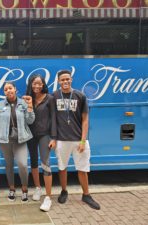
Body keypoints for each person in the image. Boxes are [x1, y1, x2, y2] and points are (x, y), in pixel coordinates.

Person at [53, 70, 100, 210]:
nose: (65, 82)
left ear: (71, 79)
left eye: (67, 79)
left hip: (79, 139)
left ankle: (86, 195)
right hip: (62, 140)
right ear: (58, 81)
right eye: (62, 80)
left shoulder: (80, 95)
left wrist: (83, 140)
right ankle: (63, 191)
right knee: (62, 167)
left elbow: (85, 120)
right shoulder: (54, 96)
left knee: (83, 168)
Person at [0, 82, 35, 203]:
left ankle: (24, 189)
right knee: (9, 165)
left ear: (15, 90)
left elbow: (30, 121)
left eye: (10, 88)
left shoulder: (23, 103)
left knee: (23, 165)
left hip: (20, 140)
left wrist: (30, 106)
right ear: (4, 92)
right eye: (6, 89)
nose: (8, 90)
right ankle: (12, 189)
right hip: (5, 140)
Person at [25, 74, 57, 211]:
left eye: (39, 83)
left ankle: (48, 197)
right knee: (33, 161)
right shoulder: (27, 99)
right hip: (31, 135)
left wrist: (54, 137)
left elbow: (54, 118)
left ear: (43, 84)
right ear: (31, 84)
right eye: (34, 83)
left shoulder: (50, 98)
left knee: (45, 164)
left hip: (45, 135)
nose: (37, 86)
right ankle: (38, 188)